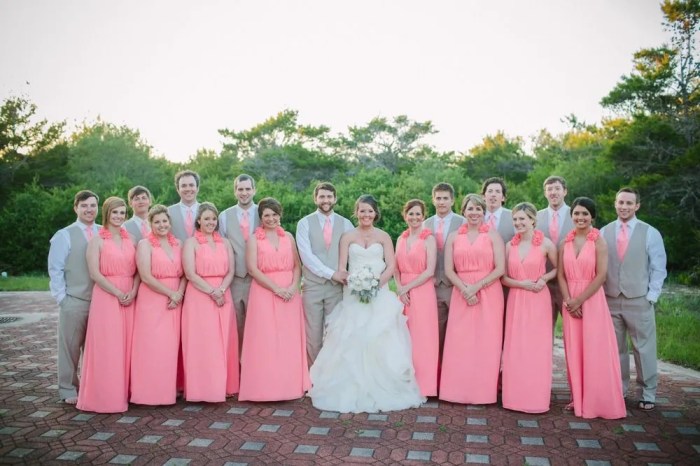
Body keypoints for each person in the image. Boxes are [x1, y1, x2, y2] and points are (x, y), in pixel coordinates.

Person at [309, 195, 425, 413]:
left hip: (378, 292)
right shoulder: (347, 236)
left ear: (375, 213)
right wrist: (355, 283)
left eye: (370, 211)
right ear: (357, 212)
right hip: (353, 293)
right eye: (362, 211)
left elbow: (391, 266)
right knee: (353, 336)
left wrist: (375, 285)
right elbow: (343, 267)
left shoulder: (383, 237)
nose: (366, 215)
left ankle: (385, 384)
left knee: (379, 336)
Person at [557, 197, 626, 419]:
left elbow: (601, 275)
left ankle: (597, 400)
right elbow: (560, 274)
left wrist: (580, 300)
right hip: (570, 302)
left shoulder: (598, 241)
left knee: (594, 350)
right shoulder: (565, 242)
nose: (580, 217)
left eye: (585, 214)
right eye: (576, 213)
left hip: (592, 300)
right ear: (571, 216)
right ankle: (577, 397)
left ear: (592, 217)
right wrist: (569, 300)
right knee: (574, 350)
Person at [601, 187, 667, 411]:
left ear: (637, 206)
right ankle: (619, 389)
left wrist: (651, 296)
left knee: (644, 348)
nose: (624, 207)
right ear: (615, 203)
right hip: (610, 299)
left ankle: (648, 392)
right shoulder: (603, 232)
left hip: (639, 299)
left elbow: (659, 268)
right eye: (621, 202)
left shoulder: (649, 232)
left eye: (629, 203)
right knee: (615, 348)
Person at [239, 198, 310, 401]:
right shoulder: (254, 239)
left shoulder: (288, 236)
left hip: (290, 293)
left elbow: (297, 266)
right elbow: (252, 268)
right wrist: (277, 289)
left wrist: (292, 287)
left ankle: (289, 385)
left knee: (288, 339)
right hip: (265, 291)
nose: (271, 218)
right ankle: (265, 388)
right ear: (261, 218)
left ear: (280, 215)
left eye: (274, 214)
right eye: (266, 215)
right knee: (265, 339)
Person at [439, 194, 505, 405]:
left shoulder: (493, 236)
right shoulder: (454, 237)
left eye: (478, 209)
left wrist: (476, 287)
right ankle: (456, 390)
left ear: (483, 212)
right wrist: (465, 289)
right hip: (461, 292)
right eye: (470, 209)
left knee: (486, 341)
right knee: (460, 342)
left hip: (488, 292)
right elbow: (449, 270)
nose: (474, 213)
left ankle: (483, 392)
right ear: (463, 211)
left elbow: (501, 269)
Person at [77, 197, 139, 413]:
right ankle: (104, 396)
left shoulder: (131, 238)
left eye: (122, 213)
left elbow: (139, 270)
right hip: (107, 296)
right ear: (107, 214)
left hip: (130, 296)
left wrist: (132, 291)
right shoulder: (97, 241)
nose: (119, 217)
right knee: (108, 347)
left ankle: (127, 392)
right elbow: (95, 273)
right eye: (115, 213)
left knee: (128, 345)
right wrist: (117, 293)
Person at [501, 202, 558, 413]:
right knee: (516, 348)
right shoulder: (509, 246)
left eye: (522, 219)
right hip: (516, 298)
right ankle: (513, 397)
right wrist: (520, 284)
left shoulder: (546, 244)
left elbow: (559, 269)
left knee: (536, 348)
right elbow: (503, 277)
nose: (518, 223)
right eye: (515, 219)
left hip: (538, 299)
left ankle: (536, 398)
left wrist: (544, 278)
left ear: (533, 220)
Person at [130, 205, 186, 406]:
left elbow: (185, 273)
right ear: (150, 224)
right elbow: (145, 276)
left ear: (170, 223)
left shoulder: (178, 243)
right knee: (152, 346)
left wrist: (179, 292)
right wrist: (171, 293)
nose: (162, 225)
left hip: (176, 300)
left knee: (172, 346)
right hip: (153, 299)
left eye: (165, 221)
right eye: (157, 222)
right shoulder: (145, 245)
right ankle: (149, 392)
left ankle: (171, 388)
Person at [181, 202, 237, 402]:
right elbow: (190, 273)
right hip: (200, 296)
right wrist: (212, 291)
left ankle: (224, 386)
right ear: (198, 221)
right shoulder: (191, 243)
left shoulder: (225, 243)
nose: (210, 222)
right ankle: (203, 389)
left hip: (224, 293)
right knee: (204, 343)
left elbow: (231, 270)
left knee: (224, 340)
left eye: (213, 219)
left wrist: (221, 290)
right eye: (206, 219)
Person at [48, 190, 100, 405]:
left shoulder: (104, 232)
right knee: (69, 348)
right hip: (74, 301)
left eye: (93, 205)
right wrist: (62, 299)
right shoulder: (64, 234)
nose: (89, 209)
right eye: (84, 205)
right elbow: (55, 269)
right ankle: (68, 389)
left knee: (96, 348)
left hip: (100, 302)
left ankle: (92, 387)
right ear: (76, 208)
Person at [296, 182, 354, 365]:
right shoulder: (304, 223)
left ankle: (331, 374)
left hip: (337, 288)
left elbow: (354, 252)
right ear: (315, 198)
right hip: (312, 286)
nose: (325, 200)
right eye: (322, 196)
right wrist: (331, 274)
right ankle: (313, 376)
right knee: (312, 333)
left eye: (329, 196)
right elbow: (307, 256)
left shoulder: (346, 224)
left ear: (335, 198)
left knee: (334, 332)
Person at [394, 199, 439, 397]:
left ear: (423, 216)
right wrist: (400, 288)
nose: (414, 217)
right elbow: (395, 268)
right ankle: (404, 382)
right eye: (410, 214)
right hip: (403, 292)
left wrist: (408, 288)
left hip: (422, 291)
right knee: (403, 337)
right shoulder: (401, 239)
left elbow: (429, 271)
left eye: (418, 214)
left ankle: (425, 385)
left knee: (423, 338)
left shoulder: (429, 238)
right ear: (405, 216)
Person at [423, 182, 465, 359]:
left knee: (457, 330)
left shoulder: (462, 222)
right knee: (436, 329)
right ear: (433, 200)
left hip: (455, 284)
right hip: (431, 284)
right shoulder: (425, 223)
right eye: (438, 198)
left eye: (445, 198)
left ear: (452, 200)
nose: (442, 202)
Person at [219, 174, 259, 359]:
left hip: (258, 280)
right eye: (240, 189)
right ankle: (238, 370)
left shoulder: (263, 213)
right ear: (235, 191)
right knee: (236, 326)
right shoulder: (224, 216)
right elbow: (220, 248)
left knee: (258, 325)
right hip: (234, 279)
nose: (244, 193)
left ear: (254, 190)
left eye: (247, 189)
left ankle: (256, 366)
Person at [536, 176, 573, 329]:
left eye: (557, 188)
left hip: (569, 282)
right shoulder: (536, 217)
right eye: (549, 189)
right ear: (545, 193)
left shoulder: (577, 215)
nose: (553, 192)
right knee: (543, 329)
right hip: (543, 282)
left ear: (565, 191)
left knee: (572, 328)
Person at [168, 170, 200, 241]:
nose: (188, 189)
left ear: (197, 188)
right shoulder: (168, 212)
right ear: (178, 189)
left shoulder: (207, 210)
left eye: (191, 185)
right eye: (184, 186)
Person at [482, 177, 515, 243]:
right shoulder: (476, 216)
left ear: (503, 197)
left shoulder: (513, 217)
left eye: (497, 191)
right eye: (490, 191)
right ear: (483, 196)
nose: (493, 195)